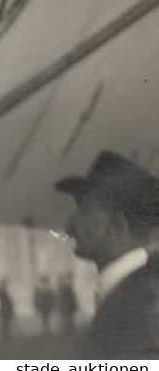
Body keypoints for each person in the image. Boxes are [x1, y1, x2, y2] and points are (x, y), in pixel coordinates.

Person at [56, 150, 159, 358]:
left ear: (115, 225)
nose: (69, 226)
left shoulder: (142, 308)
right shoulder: (139, 293)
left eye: (83, 210)